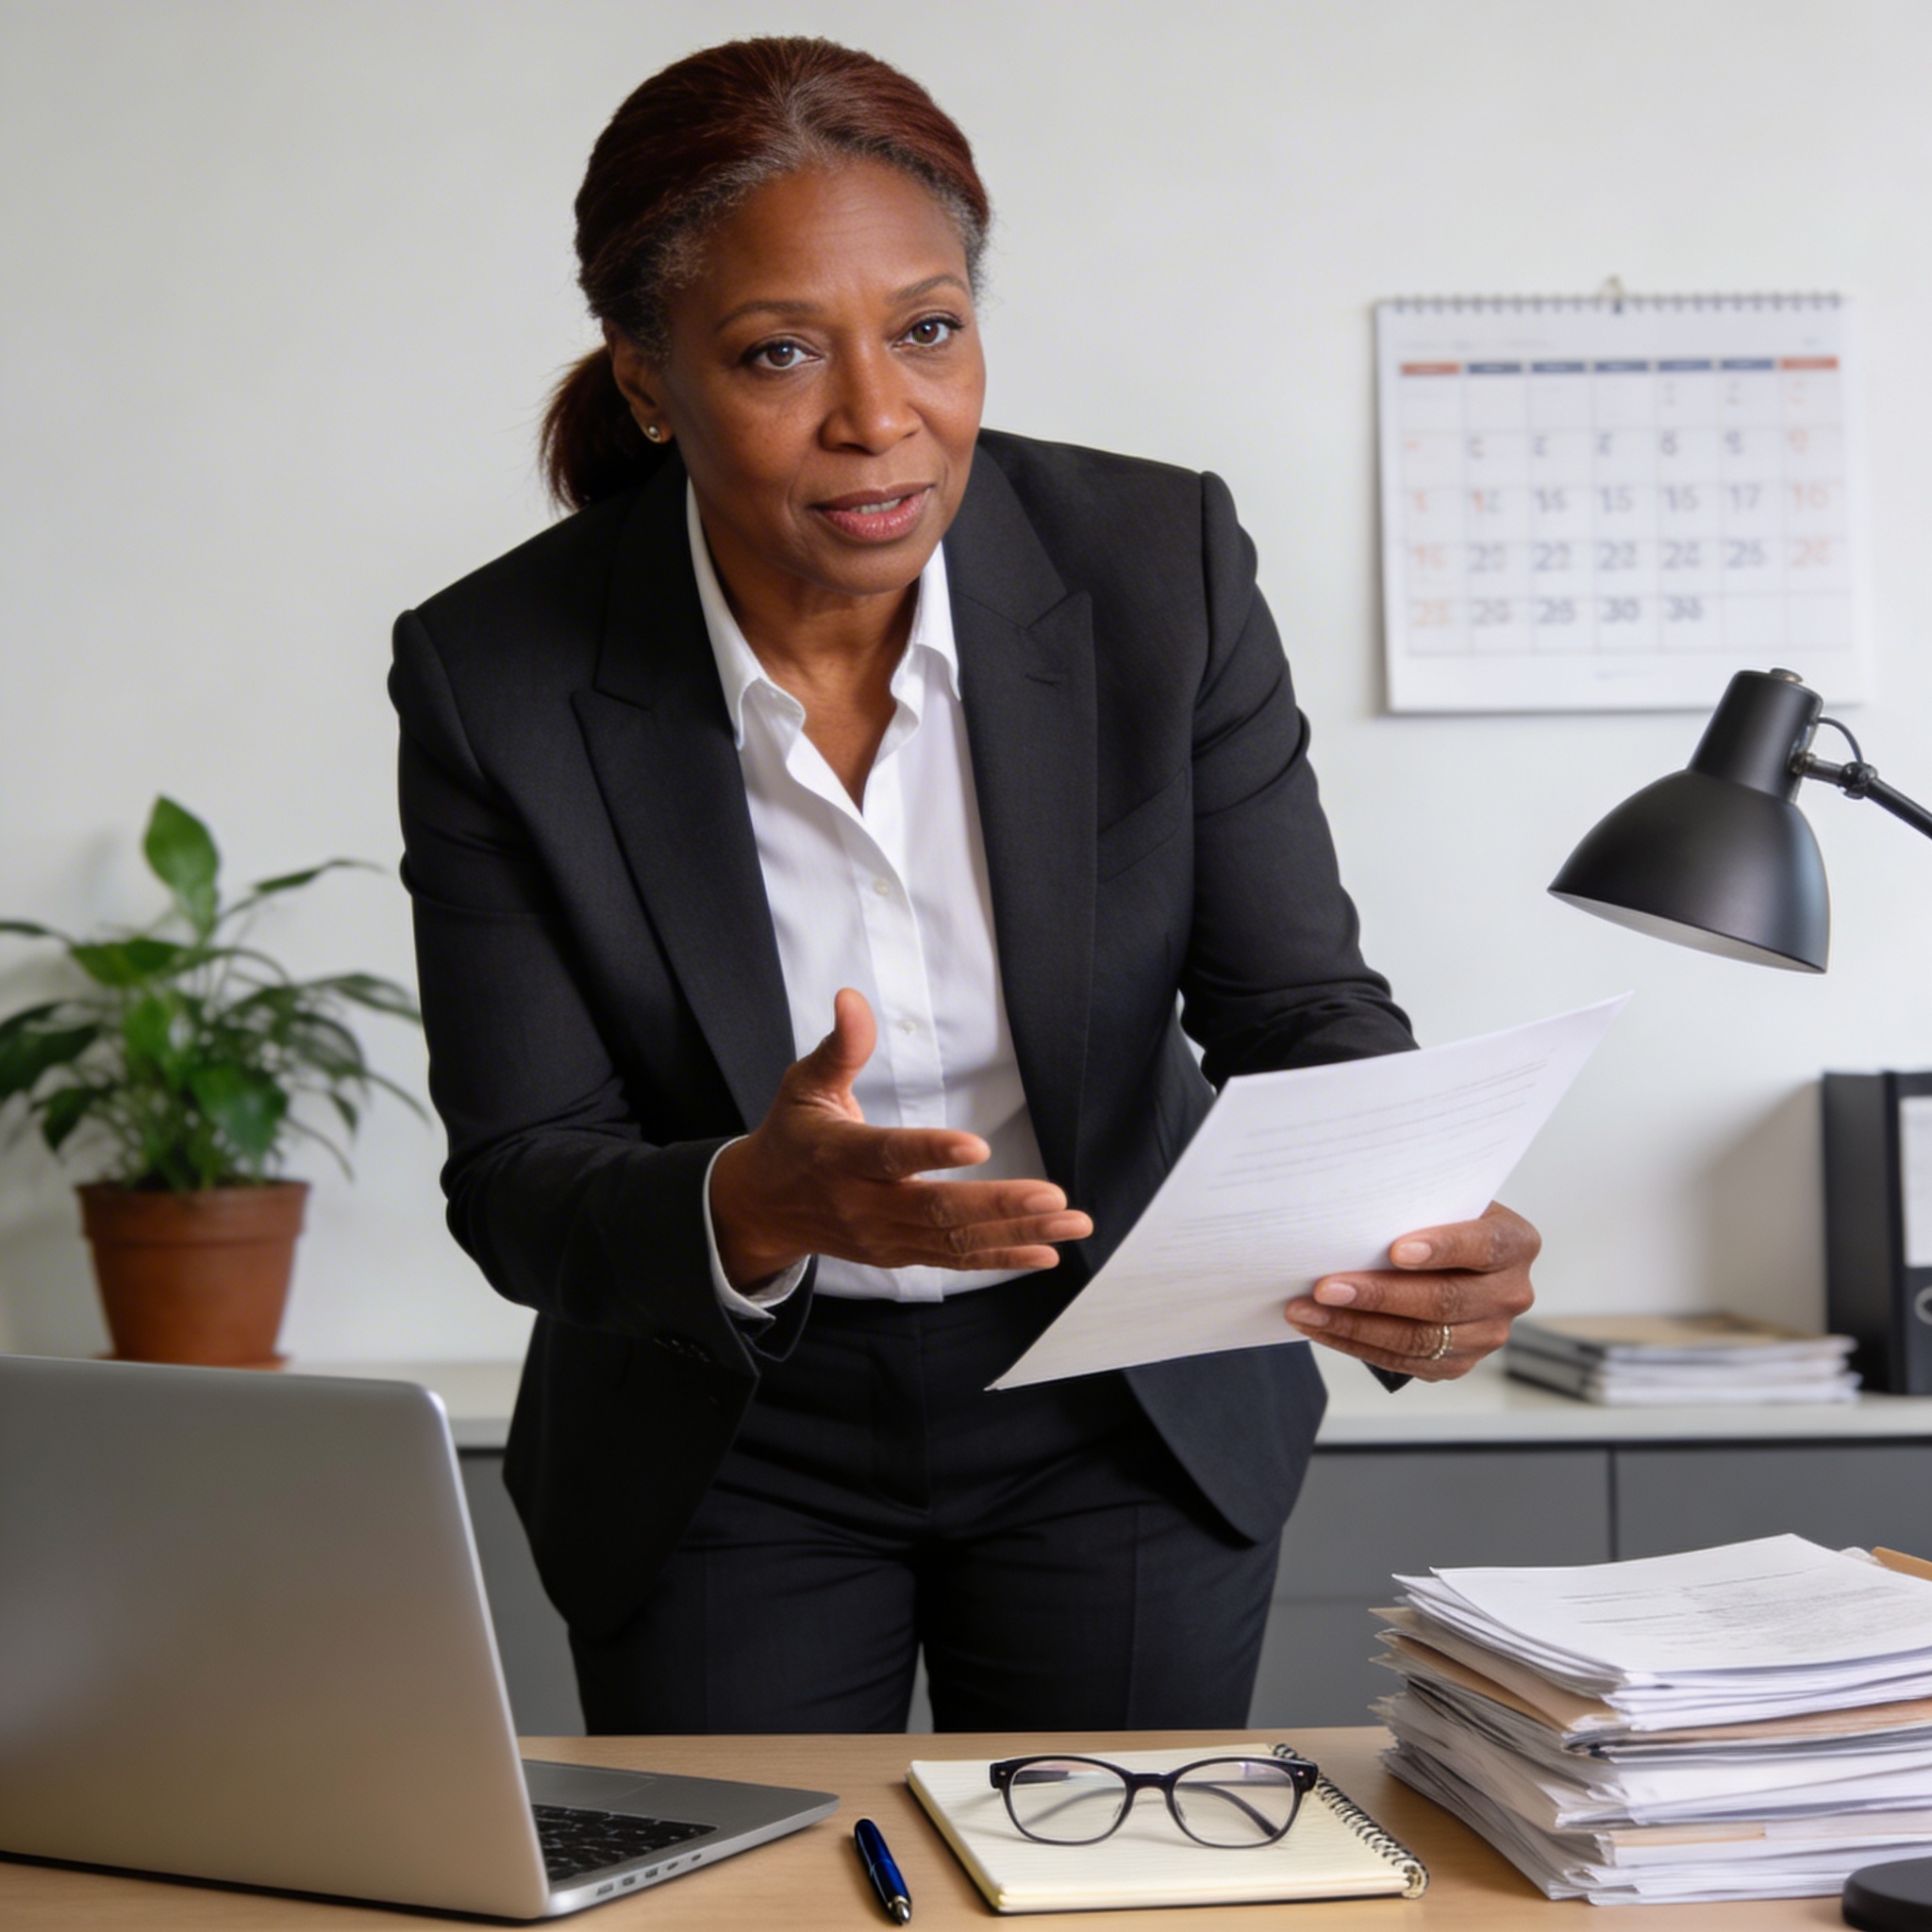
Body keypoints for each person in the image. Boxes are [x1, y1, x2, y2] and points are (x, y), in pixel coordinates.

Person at [390, 35, 1538, 1736]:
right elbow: (518, 1176)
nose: (880, 419)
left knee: (1121, 1892)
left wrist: (1414, 1235)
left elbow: (1296, 1009)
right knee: (757, 1898)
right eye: (780, 353)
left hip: (1124, 1393)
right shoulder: (499, 671)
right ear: (647, 381)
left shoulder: (1161, 570)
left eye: (928, 329)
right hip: (723, 1435)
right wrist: (764, 1202)